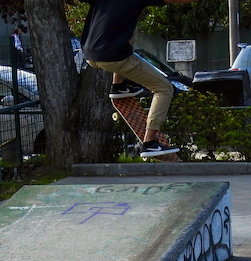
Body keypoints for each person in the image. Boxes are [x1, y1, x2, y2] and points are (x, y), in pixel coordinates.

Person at [80, 0, 199, 158]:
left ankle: (118, 85)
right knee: (164, 89)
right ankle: (149, 144)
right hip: (114, 58)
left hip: (89, 54)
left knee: (132, 31)